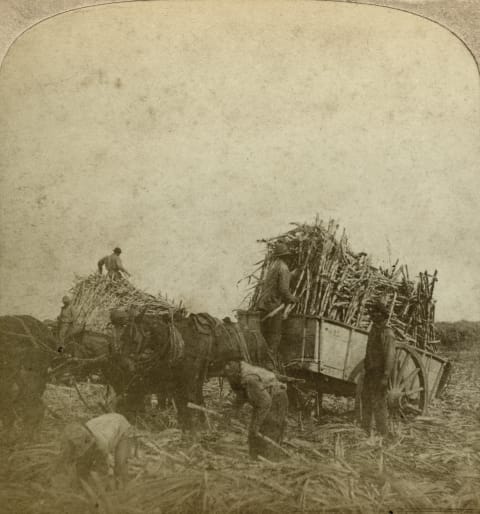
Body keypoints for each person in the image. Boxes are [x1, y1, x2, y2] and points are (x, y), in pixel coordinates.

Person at [224, 360, 288, 460]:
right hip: (266, 400)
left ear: (235, 372)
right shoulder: (239, 374)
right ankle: (255, 459)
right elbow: (242, 396)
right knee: (256, 432)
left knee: (268, 430)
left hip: (276, 399)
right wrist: (232, 413)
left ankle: (270, 461)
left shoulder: (249, 379)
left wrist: (256, 425)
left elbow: (265, 403)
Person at [54, 413, 133, 489]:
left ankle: (123, 488)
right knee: (84, 461)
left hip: (121, 425)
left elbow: (103, 466)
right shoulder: (78, 431)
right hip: (107, 421)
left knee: (120, 463)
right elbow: (75, 459)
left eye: (78, 441)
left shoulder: (102, 444)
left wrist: (99, 483)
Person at [256, 242, 299, 369]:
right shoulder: (284, 268)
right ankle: (269, 366)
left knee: (264, 335)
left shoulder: (273, 266)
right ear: (286, 257)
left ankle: (262, 362)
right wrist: (294, 299)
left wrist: (292, 275)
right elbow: (283, 290)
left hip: (264, 305)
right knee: (274, 337)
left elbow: (277, 281)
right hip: (274, 307)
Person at [361, 300, 396, 440]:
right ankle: (365, 430)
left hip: (379, 373)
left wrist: (385, 376)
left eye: (376, 312)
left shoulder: (387, 333)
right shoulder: (373, 331)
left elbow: (389, 356)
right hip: (370, 372)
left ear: (382, 315)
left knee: (379, 402)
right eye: (372, 312)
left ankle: (383, 433)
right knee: (366, 400)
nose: (373, 315)